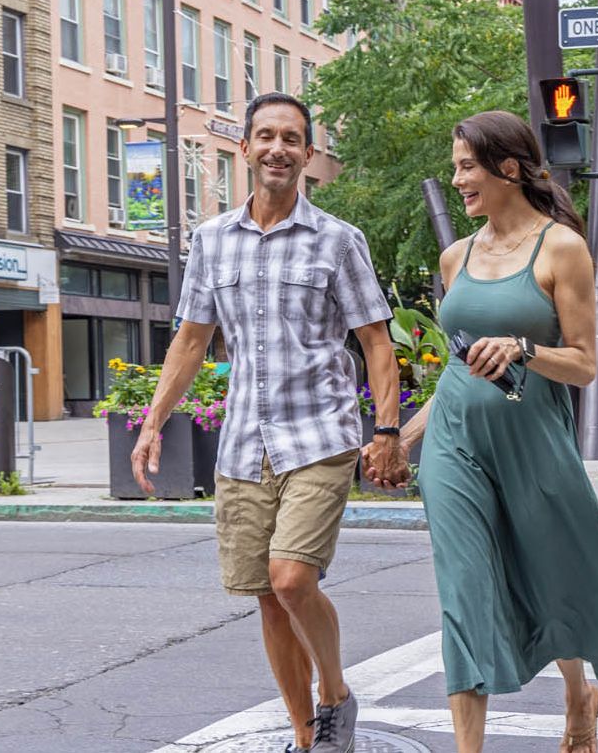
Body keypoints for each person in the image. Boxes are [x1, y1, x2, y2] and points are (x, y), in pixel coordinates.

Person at [365, 111, 598, 753]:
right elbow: (455, 369)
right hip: (454, 444)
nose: (457, 179)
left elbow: (584, 364)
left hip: (533, 442)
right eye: (455, 167)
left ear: (507, 168)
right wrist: (400, 438)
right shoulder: (455, 257)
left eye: (466, 166)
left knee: (551, 573)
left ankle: (579, 695)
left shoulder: (560, 248)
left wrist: (523, 348)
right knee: (464, 589)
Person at [131, 92, 399, 753]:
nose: (277, 148)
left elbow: (376, 342)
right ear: (244, 148)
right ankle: (307, 737)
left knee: (291, 577)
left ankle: (334, 695)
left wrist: (387, 432)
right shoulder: (211, 240)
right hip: (244, 442)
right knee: (267, 598)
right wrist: (152, 422)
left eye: (291, 138)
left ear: (308, 155)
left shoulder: (338, 240)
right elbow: (191, 339)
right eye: (265, 136)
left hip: (319, 435)